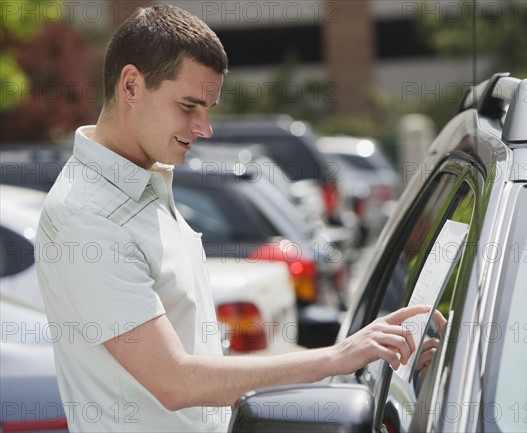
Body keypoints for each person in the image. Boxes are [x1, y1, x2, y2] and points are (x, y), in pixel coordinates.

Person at [35, 4, 430, 432]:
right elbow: (175, 381)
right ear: (131, 85)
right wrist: (337, 358)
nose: (205, 128)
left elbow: (201, 363)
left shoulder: (146, 184)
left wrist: (355, 357)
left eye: (208, 107)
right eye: (188, 106)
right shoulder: (86, 215)